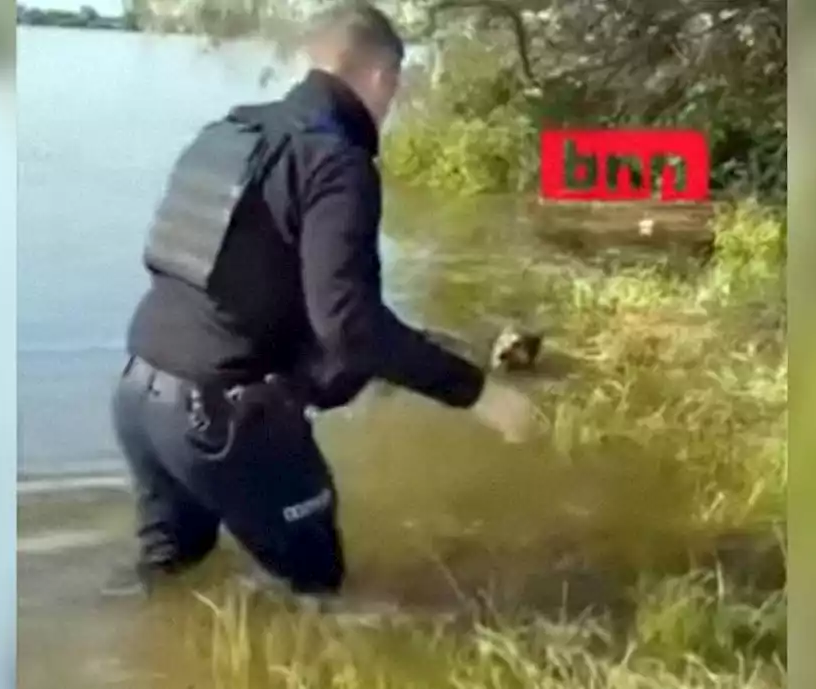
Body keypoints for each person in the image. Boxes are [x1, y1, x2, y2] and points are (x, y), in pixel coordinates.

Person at [104, 2, 536, 603]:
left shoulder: (227, 132)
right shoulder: (337, 162)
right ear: (384, 77)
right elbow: (350, 325)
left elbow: (205, 277)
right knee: (322, 595)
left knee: (172, 577)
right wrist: (479, 393)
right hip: (220, 420)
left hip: (137, 398)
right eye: (394, 89)